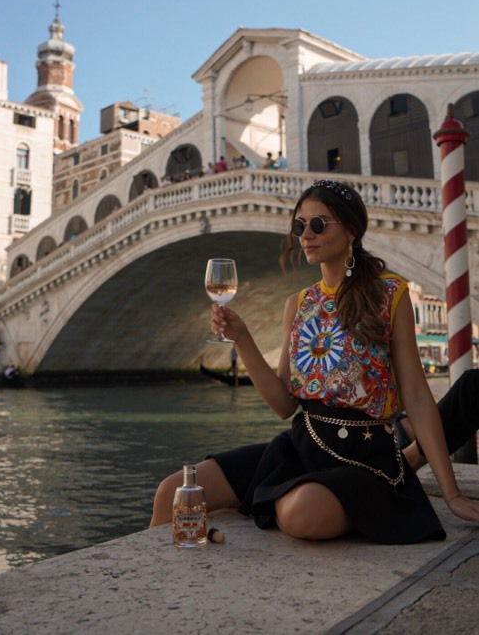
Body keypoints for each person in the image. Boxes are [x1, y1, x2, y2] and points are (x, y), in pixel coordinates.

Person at [151, 179, 479, 542]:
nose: (306, 234)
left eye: (318, 224)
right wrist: (242, 338)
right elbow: (283, 405)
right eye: (300, 225)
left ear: (351, 229)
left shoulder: (390, 295)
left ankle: (266, 501)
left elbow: (417, 398)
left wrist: (451, 494)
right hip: (300, 448)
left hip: (365, 458)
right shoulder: (298, 303)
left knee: (300, 514)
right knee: (173, 492)